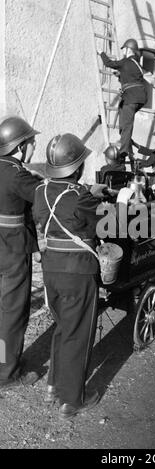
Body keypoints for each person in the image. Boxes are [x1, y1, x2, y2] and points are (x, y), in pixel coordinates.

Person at [33, 133, 102, 419]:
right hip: (78, 272)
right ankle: (72, 399)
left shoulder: (40, 191)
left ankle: (53, 386)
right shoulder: (80, 197)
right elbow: (102, 225)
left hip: (51, 270)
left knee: (62, 327)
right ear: (76, 167)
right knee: (78, 333)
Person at [0, 115, 42, 389]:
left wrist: (36, 247)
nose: (33, 145)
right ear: (18, 146)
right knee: (13, 311)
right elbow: (46, 199)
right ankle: (6, 372)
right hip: (12, 246)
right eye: (31, 141)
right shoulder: (18, 175)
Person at [100, 38, 148, 160]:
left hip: (131, 97)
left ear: (128, 49)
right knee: (124, 120)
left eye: (124, 49)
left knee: (126, 124)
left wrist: (101, 53)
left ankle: (125, 151)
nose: (123, 52)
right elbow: (132, 77)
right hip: (139, 98)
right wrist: (120, 74)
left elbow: (109, 63)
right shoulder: (136, 64)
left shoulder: (126, 61)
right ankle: (127, 145)